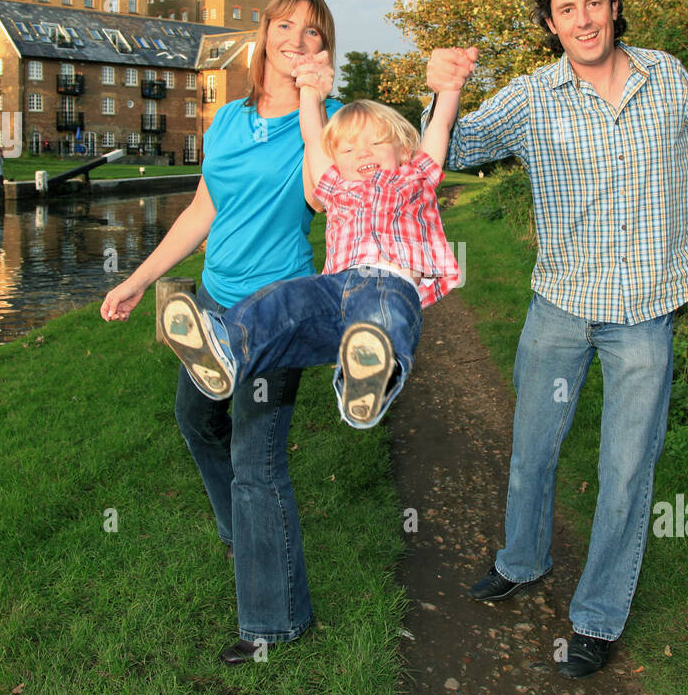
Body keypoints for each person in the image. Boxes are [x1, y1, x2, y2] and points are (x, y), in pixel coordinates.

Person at [427, 0, 688, 679]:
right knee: (533, 450)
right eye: (567, 8)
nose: (583, 18)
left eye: (595, 2)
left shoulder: (666, 78)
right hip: (560, 307)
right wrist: (444, 93)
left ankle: (597, 617)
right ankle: (522, 559)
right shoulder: (532, 96)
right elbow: (454, 150)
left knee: (626, 469)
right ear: (550, 22)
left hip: (643, 313)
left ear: (613, 7)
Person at [100, 0, 340, 665]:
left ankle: (274, 622)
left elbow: (322, 194)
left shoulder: (329, 121)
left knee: (257, 464)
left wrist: (314, 103)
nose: (296, 38)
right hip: (212, 301)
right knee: (197, 419)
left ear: (324, 47)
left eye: (313, 32)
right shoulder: (229, 120)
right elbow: (203, 210)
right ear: (263, 34)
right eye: (286, 25)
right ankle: (242, 530)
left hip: (276, 311)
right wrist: (139, 278)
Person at [157, 54, 462, 429]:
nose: (362, 152)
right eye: (348, 149)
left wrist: (449, 88)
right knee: (284, 301)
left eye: (376, 142)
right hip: (335, 288)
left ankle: (367, 381)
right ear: (338, 161)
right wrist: (311, 93)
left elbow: (440, 126)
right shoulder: (335, 188)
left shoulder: (414, 177)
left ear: (403, 150)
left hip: (391, 283)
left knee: (384, 319)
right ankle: (226, 348)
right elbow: (313, 138)